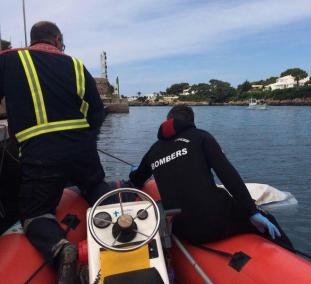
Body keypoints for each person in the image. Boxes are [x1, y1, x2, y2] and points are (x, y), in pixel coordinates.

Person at [0, 21, 110, 283]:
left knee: (35, 213)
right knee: (94, 186)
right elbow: (96, 111)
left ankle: (61, 249)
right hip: (82, 149)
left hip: (40, 153)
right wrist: (86, 138)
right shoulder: (76, 65)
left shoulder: (8, 60)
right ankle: (120, 217)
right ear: (58, 39)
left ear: (32, 40)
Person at [130, 105, 294, 248]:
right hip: (215, 222)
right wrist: (251, 212)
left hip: (182, 229)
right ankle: (292, 258)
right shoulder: (201, 137)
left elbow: (137, 178)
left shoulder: (153, 150)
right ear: (191, 121)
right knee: (268, 219)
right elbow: (227, 174)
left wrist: (134, 170)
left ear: (167, 120)